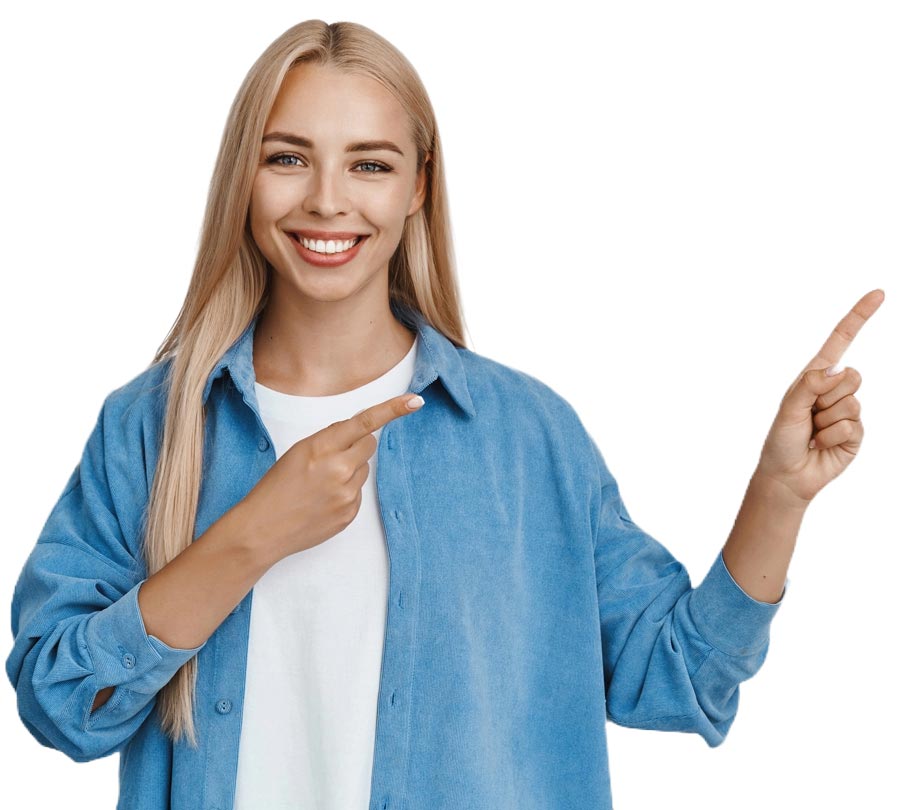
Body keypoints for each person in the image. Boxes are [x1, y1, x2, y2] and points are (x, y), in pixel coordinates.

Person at [5, 18, 883, 810]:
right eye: (287, 157)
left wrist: (779, 495)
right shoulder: (151, 429)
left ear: (419, 187)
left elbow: (678, 676)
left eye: (370, 164)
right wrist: (252, 535)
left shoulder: (526, 436)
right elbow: (58, 705)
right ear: (243, 176)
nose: (326, 200)